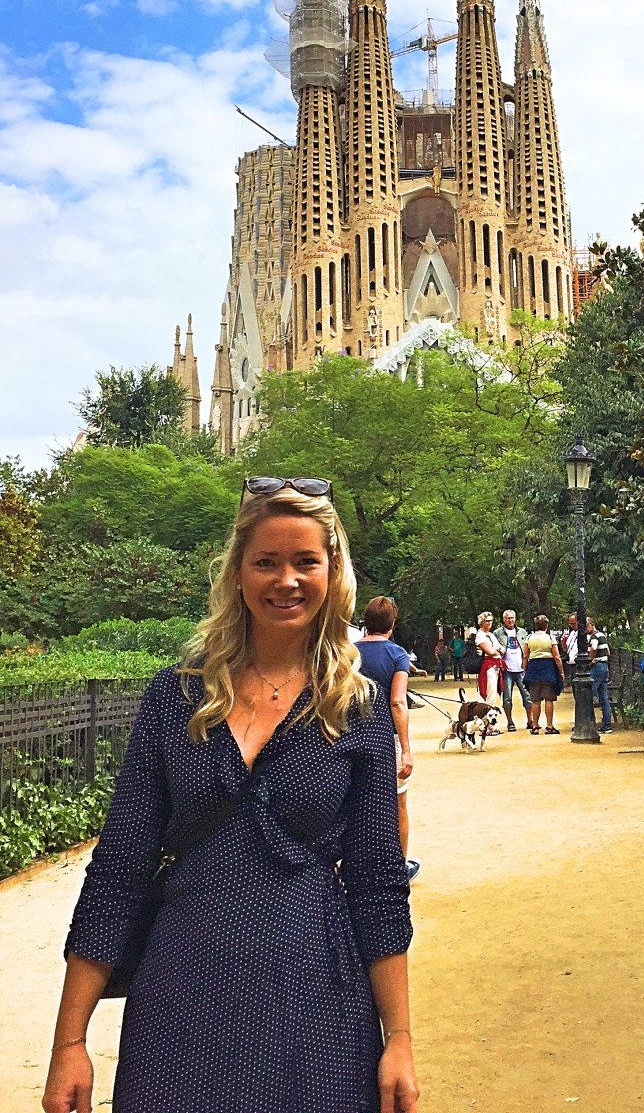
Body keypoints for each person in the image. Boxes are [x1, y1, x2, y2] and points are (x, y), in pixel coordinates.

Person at [44, 477, 417, 1113]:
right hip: (180, 999)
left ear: (333, 572)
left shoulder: (354, 709)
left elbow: (378, 882)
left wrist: (400, 1039)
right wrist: (69, 1041)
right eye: (266, 562)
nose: (287, 580)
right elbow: (118, 870)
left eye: (306, 561)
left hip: (316, 1000)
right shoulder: (175, 697)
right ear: (237, 574)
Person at [352, 596, 420, 883]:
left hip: (351, 734)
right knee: (398, 803)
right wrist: (405, 749)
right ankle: (398, 867)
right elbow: (398, 703)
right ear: (392, 624)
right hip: (384, 737)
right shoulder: (397, 654)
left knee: (354, 802)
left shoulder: (348, 653)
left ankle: (354, 866)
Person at [523, 615, 564, 734]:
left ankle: (535, 726)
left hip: (533, 668)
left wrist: (525, 669)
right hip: (548, 668)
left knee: (535, 700)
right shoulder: (550, 638)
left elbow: (525, 655)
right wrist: (561, 671)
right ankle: (550, 726)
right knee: (548, 699)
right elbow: (556, 656)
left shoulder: (529, 638)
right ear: (546, 625)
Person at [499, 609, 532, 732]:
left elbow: (527, 648)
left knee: (527, 695)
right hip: (506, 669)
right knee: (507, 697)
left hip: (521, 668)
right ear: (504, 619)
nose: (510, 620)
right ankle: (510, 722)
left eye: (512, 617)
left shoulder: (522, 632)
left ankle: (530, 720)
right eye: (508, 618)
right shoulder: (498, 633)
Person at [588, 620, 614, 734]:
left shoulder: (594, 636)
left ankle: (588, 723)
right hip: (604, 666)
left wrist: (590, 659)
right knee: (604, 697)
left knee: (588, 694)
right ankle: (607, 725)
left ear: (591, 625)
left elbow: (593, 648)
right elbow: (608, 651)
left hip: (597, 666)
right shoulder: (602, 635)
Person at [474, 611, 503, 714]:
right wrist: (497, 651)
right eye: (487, 621)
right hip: (488, 666)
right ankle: (489, 725)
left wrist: (497, 651)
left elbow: (501, 649)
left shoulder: (490, 634)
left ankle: (489, 723)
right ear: (482, 622)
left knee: (493, 693)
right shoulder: (480, 635)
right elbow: (490, 652)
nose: (490, 623)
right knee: (490, 694)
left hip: (496, 666)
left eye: (491, 620)